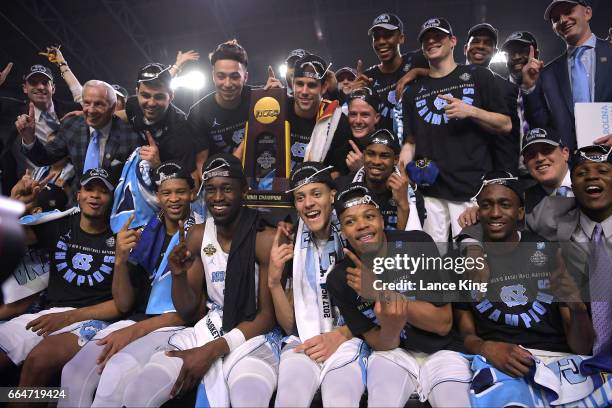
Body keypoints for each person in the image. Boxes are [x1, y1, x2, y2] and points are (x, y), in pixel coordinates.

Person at [118, 153, 280, 407]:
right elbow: (189, 310)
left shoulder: (265, 238)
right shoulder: (196, 234)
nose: (217, 197)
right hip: (210, 325)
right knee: (139, 392)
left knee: (249, 396)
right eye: (211, 189)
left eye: (227, 189)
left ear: (244, 191)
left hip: (253, 335)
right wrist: (179, 276)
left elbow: (267, 317)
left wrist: (211, 351)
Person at [59, 162, 195, 407]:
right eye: (166, 193)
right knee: (72, 373)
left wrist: (133, 331)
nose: (174, 199)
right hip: (136, 319)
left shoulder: (201, 234)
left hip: (176, 325)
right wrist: (120, 260)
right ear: (157, 196)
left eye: (180, 192)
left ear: (193, 193)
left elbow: (192, 312)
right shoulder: (144, 234)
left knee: (113, 376)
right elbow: (123, 303)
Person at [455, 171, 594, 406]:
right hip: (497, 360)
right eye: (486, 205)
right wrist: (487, 348)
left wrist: (578, 309)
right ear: (478, 213)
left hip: (555, 359)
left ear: (520, 213)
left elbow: (582, 346)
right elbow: (466, 334)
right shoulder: (462, 262)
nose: (495, 213)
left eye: (505, 204)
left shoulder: (548, 250)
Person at [326, 183, 470, 407]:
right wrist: (392, 327)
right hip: (393, 352)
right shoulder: (340, 279)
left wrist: (379, 292)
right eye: (350, 221)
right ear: (343, 231)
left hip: (442, 350)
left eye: (369, 216)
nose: (362, 226)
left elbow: (442, 324)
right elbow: (379, 342)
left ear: (382, 220)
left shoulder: (417, 244)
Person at [0, 168, 121, 389]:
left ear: (112, 198)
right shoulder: (60, 224)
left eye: (103, 191)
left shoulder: (120, 236)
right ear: (78, 195)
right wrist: (14, 203)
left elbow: (123, 305)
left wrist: (69, 317)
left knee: (38, 363)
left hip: (95, 320)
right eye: (89, 189)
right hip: (49, 314)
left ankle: (37, 402)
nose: (95, 195)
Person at [401, 17, 511, 247]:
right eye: (426, 39)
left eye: (437, 36)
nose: (431, 41)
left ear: (452, 41)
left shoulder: (478, 76)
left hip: (471, 188)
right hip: (430, 190)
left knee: (472, 261)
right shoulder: (413, 91)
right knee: (433, 264)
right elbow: (410, 141)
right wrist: (403, 170)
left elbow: (505, 124)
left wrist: (470, 111)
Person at [269, 162, 368, 407]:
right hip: (306, 340)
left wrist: (341, 334)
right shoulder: (291, 244)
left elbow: (383, 303)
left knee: (340, 399)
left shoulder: (357, 233)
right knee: (288, 398)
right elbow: (292, 325)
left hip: (353, 337)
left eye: (316, 194)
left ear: (332, 195)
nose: (308, 203)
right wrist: (273, 281)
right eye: (300, 197)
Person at [19, 80, 142, 194]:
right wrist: (29, 139)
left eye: (99, 104)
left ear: (113, 107)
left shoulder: (130, 136)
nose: (91, 110)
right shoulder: (72, 126)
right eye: (87, 103)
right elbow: (44, 158)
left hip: (113, 207)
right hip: (77, 204)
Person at [521, 0, 612, 150]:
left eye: (568, 11)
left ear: (587, 12)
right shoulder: (547, 74)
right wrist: (529, 88)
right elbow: (541, 126)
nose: (563, 20)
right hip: (573, 165)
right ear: (554, 28)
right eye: (556, 19)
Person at [458, 127, 572, 227]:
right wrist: (480, 212)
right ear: (526, 163)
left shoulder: (586, 182)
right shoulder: (522, 199)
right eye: (531, 154)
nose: (540, 158)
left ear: (565, 153)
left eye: (547, 150)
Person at [1, 64, 80, 193]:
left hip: (67, 187)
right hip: (26, 188)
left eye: (45, 83)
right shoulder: (12, 111)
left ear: (53, 88)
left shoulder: (73, 110)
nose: (40, 87)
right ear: (25, 88)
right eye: (33, 83)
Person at [355, 13, 429, 137]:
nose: (381, 41)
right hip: (386, 151)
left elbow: (446, 74)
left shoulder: (418, 59)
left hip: (420, 144)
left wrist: (417, 72)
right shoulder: (368, 77)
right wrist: (358, 95)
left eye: (388, 36)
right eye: (376, 37)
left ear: (401, 38)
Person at [117, 63, 197, 174]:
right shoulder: (133, 105)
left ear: (171, 96)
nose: (151, 103)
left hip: (165, 183)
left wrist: (158, 165)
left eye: (159, 97)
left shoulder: (182, 129)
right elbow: (123, 115)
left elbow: (191, 183)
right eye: (145, 95)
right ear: (137, 93)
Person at [337, 129, 424, 230]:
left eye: (384, 156)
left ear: (395, 160)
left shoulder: (412, 196)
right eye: (371, 154)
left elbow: (410, 243)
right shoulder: (343, 187)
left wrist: (402, 206)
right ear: (364, 155)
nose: (376, 161)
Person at [464, 23, 520, 174]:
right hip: (450, 171)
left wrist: (505, 177)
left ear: (495, 52)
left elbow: (508, 141)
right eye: (475, 41)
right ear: (465, 48)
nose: (481, 46)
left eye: (487, 43)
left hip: (490, 173)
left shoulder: (506, 88)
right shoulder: (446, 81)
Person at [186, 40, 250, 172]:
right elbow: (201, 163)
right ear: (213, 76)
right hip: (216, 176)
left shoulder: (260, 99)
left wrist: (277, 96)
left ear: (245, 77)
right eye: (221, 76)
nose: (227, 84)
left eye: (234, 76)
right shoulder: (198, 112)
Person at [283, 53, 351, 176]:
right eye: (299, 84)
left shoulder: (337, 120)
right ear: (292, 84)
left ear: (324, 87)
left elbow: (337, 172)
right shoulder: (278, 108)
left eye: (312, 85)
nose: (304, 91)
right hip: (278, 190)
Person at [345, 87, 381, 172]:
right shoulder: (342, 145)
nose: (358, 121)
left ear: (376, 118)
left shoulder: (386, 147)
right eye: (353, 114)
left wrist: (362, 170)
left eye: (365, 115)